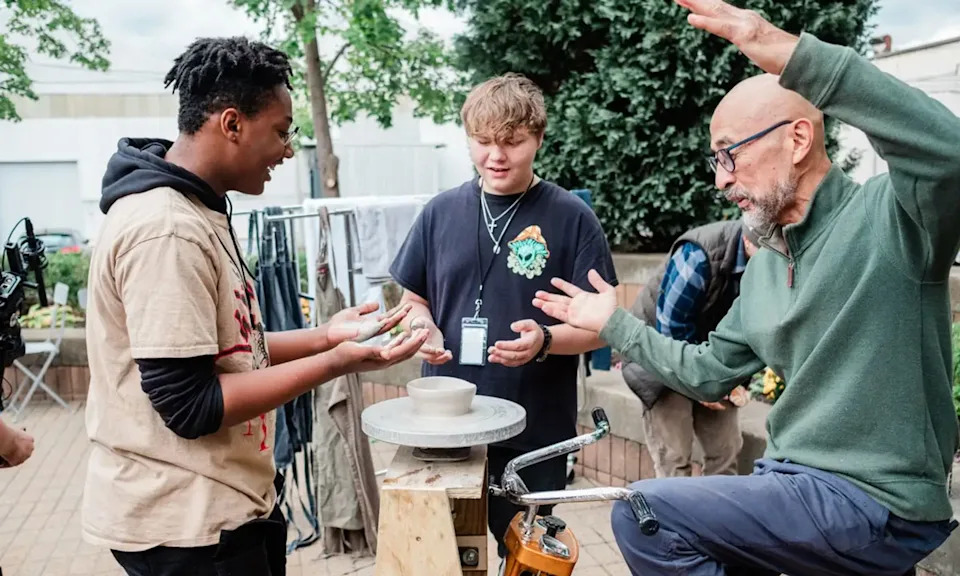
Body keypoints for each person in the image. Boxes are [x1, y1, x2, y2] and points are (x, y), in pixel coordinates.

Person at [531, 0, 960, 573]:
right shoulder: (762, 270)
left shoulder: (896, 219)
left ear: (799, 140)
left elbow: (948, 155)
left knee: (642, 512)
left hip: (873, 498)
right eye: (715, 160)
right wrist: (615, 322)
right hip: (795, 485)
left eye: (730, 154)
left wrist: (796, 56)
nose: (720, 179)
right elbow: (707, 371)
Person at [81, 36, 428, 576]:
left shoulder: (197, 208)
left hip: (222, 512)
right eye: (282, 131)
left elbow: (229, 352)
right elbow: (191, 405)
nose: (288, 149)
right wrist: (335, 363)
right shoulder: (166, 229)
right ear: (231, 123)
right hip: (187, 528)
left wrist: (325, 336)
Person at [389, 73, 618, 559]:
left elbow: (600, 328)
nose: (496, 155)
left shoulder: (573, 217)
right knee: (446, 557)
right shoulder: (438, 212)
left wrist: (547, 340)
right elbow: (413, 298)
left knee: (530, 559)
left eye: (512, 142)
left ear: (538, 138)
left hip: (533, 431)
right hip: (446, 428)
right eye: (483, 141)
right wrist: (421, 324)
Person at [623, 219, 757, 479]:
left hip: (712, 358)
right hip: (661, 360)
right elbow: (670, 331)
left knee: (726, 452)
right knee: (675, 460)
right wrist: (703, 388)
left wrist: (732, 381)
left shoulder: (769, 258)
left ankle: (718, 519)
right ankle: (673, 520)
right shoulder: (698, 255)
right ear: (749, 242)